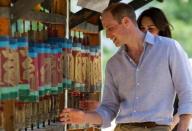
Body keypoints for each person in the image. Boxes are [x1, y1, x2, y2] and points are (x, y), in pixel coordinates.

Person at [60, 3, 192, 131]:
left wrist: (182, 128)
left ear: (126, 22)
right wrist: (84, 117)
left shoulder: (169, 48)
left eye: (110, 28)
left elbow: (187, 92)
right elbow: (108, 109)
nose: (107, 35)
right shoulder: (113, 64)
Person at [137, 7, 180, 130]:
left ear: (162, 30)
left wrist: (171, 125)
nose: (146, 34)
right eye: (142, 29)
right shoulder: (136, 59)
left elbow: (188, 99)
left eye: (151, 29)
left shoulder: (173, 52)